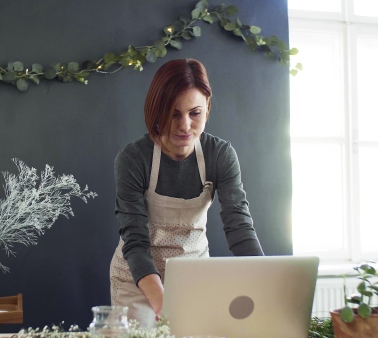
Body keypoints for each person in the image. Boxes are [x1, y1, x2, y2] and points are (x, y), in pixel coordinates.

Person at [110, 58, 264, 327]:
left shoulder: (220, 155)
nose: (184, 125)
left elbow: (238, 225)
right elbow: (135, 239)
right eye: (173, 113)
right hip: (138, 280)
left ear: (207, 109)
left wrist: (266, 283)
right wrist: (164, 305)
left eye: (195, 113)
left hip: (195, 276)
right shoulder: (134, 159)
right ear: (157, 111)